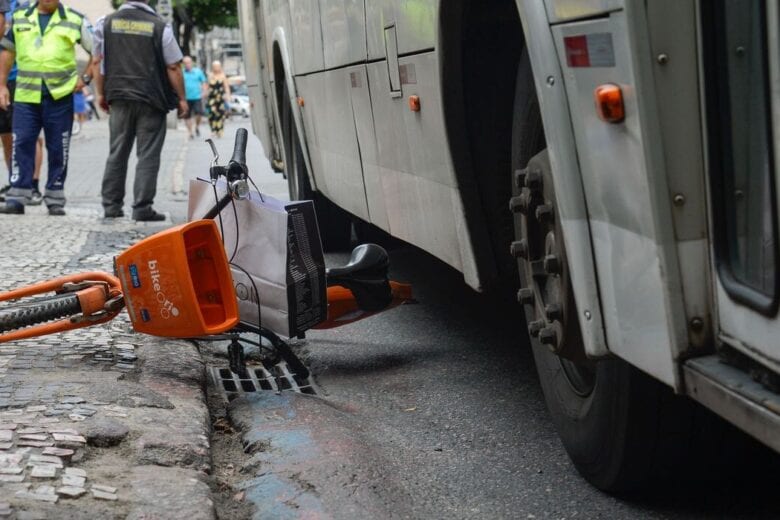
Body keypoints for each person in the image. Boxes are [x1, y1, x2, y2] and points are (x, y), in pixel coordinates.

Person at [92, 0, 187, 221]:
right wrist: (182, 98)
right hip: (151, 99)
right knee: (148, 155)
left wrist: (100, 93)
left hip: (119, 96)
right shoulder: (160, 26)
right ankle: (142, 207)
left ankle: (111, 206)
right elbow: (173, 66)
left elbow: (97, 61)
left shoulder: (104, 24)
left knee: (117, 152)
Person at [0, 0, 92, 216]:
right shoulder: (20, 17)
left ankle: (55, 196)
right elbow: (7, 52)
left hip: (59, 97)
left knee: (59, 147)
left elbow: (96, 50)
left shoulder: (75, 19)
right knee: (21, 143)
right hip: (25, 95)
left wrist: (85, 78)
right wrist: (2, 84)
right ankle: (18, 195)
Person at [182, 55, 205, 139]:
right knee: (187, 116)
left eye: (188, 62)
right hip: (186, 98)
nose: (187, 64)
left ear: (191, 63)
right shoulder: (182, 73)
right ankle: (190, 131)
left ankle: (197, 127)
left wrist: (204, 92)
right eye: (185, 63)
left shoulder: (198, 72)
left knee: (199, 113)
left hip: (197, 97)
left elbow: (203, 82)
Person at [206, 60, 229, 138]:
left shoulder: (223, 75)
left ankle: (220, 130)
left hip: (220, 98)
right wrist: (205, 93)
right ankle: (213, 130)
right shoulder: (210, 75)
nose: (216, 68)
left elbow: (226, 87)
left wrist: (228, 95)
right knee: (212, 114)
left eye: (218, 66)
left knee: (220, 114)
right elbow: (207, 86)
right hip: (212, 98)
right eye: (215, 66)